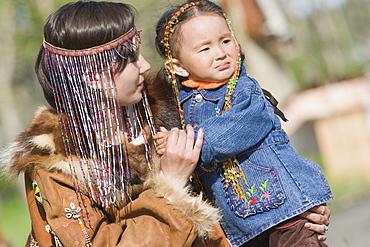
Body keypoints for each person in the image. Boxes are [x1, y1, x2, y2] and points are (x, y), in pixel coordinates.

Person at [0, 1, 217, 246]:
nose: (145, 65)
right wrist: (172, 183)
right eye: (132, 58)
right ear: (94, 77)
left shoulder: (174, 103)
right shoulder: (56, 165)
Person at [154, 1, 333, 246]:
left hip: (286, 212)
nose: (220, 53)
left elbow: (238, 127)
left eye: (225, 41)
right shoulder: (178, 109)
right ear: (178, 67)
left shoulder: (245, 91)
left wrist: (187, 142)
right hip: (241, 227)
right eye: (205, 48)